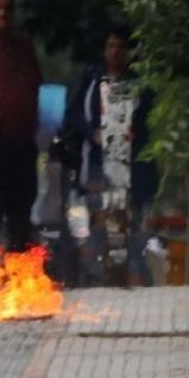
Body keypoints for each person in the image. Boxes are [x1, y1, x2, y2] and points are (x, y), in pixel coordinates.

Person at [66, 25, 156, 286]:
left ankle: (132, 281)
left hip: (132, 170)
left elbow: (148, 124)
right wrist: (90, 132)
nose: (115, 52)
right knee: (98, 230)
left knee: (133, 231)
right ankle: (101, 281)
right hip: (97, 166)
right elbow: (72, 114)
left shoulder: (139, 85)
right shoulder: (91, 80)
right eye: (111, 46)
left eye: (121, 46)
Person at [0, 0, 43, 250]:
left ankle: (18, 278)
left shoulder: (24, 46)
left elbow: (35, 87)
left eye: (7, 8)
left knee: (21, 217)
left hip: (23, 145)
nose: (2, 13)